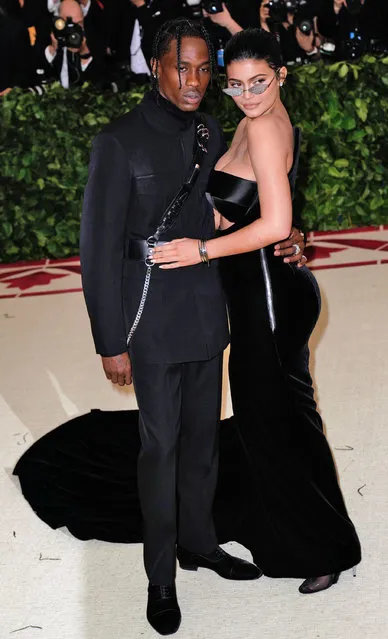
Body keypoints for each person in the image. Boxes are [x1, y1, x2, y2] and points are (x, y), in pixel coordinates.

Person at [13, 17, 306, 637]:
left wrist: (291, 235)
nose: (195, 81)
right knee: (160, 447)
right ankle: (160, 577)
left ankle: (199, 543)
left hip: (206, 304)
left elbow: (235, 206)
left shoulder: (209, 127)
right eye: (183, 67)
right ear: (156, 66)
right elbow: (95, 251)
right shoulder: (117, 142)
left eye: (205, 69)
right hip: (147, 313)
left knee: (202, 441)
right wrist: (109, 341)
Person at [151, 27, 362, 594]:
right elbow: (244, 210)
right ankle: (302, 529)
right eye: (237, 84)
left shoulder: (267, 128)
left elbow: (271, 224)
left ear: (282, 75)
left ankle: (325, 548)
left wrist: (199, 250)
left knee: (280, 426)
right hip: (258, 291)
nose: (247, 94)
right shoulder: (250, 119)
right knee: (274, 421)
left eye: (259, 82)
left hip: (269, 297)